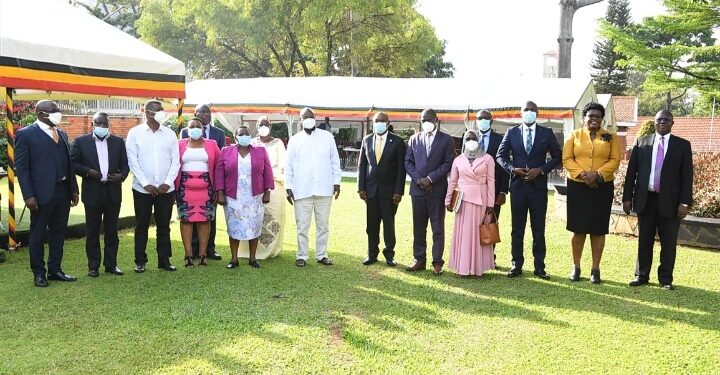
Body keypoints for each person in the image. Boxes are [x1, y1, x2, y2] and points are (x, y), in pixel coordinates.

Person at [623, 110, 693, 290]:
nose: (662, 122)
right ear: (654, 122)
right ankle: (641, 275)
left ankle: (666, 279)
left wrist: (685, 203)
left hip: (671, 203)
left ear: (672, 123)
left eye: (666, 119)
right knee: (644, 240)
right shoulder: (642, 142)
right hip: (646, 200)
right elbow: (632, 173)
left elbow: (687, 177)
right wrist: (627, 198)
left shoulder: (682, 145)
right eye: (659, 119)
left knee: (668, 243)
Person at [15, 100, 80, 287]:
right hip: (40, 194)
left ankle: (55, 270)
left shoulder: (62, 133)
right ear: (42, 114)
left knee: (58, 233)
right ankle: (39, 273)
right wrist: (28, 195)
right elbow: (22, 167)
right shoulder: (26, 134)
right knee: (37, 234)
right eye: (54, 111)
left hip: (63, 191)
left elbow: (69, 164)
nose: (58, 114)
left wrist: (73, 189)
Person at [496, 101, 561, 280]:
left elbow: (557, 156)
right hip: (517, 186)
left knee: (538, 229)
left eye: (532, 110)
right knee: (517, 228)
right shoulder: (512, 132)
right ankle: (516, 263)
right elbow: (500, 156)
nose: (529, 112)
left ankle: (539, 267)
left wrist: (541, 170)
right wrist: (512, 169)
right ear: (521, 113)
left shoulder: (546, 133)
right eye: (526, 110)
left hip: (538, 188)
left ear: (538, 113)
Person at [562, 102, 620, 284]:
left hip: (602, 187)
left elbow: (615, 160)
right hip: (578, 187)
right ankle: (576, 267)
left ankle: (595, 269)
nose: (594, 118)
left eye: (597, 116)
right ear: (584, 118)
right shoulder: (574, 135)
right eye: (590, 115)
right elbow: (567, 158)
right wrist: (584, 175)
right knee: (578, 229)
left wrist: (598, 175)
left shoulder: (610, 136)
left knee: (598, 229)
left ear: (602, 119)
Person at [71, 112, 129, 277]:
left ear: (109, 124)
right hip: (92, 192)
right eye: (99, 123)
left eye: (105, 123)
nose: (102, 126)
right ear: (92, 124)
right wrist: (88, 172)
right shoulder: (81, 142)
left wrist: (122, 176)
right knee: (92, 231)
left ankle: (111, 265)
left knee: (112, 231)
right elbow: (74, 163)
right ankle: (93, 266)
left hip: (112, 191)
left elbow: (125, 164)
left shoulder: (118, 142)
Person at [126, 100, 180, 273]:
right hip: (142, 189)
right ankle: (140, 261)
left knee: (164, 225)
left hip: (166, 189)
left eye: (161, 110)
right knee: (141, 225)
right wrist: (146, 183)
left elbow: (175, 161)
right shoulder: (135, 133)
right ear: (147, 112)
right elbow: (132, 161)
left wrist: (167, 183)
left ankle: (164, 260)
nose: (160, 113)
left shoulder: (170, 134)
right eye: (157, 110)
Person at [285, 107, 342, 267]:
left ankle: (321, 254)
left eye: (311, 116)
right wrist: (288, 186)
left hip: (324, 188)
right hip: (301, 189)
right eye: (305, 117)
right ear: (300, 120)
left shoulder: (327, 137)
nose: (308, 119)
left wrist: (336, 182)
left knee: (323, 225)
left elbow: (334, 161)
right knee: (302, 226)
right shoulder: (294, 140)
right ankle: (302, 255)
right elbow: (288, 165)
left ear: (315, 118)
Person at [404, 109, 455, 275]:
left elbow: (448, 163)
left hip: (437, 190)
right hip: (417, 190)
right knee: (419, 227)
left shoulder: (446, 140)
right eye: (423, 119)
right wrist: (420, 180)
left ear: (436, 120)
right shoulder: (413, 139)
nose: (426, 122)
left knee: (437, 228)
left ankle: (437, 262)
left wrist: (430, 179)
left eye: (429, 119)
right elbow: (408, 163)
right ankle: (419, 259)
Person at [216, 126, 273, 269]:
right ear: (235, 137)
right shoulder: (226, 151)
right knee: (234, 227)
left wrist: (267, 191)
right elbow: (219, 173)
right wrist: (220, 193)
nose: (244, 137)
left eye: (247, 134)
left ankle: (252, 258)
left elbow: (268, 172)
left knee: (253, 226)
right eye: (241, 134)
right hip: (233, 197)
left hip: (255, 196)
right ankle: (234, 259)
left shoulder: (260, 151)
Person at [358, 112, 407, 267]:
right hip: (371, 191)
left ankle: (389, 254)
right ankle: (372, 254)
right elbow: (362, 165)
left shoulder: (398, 142)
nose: (378, 123)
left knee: (388, 224)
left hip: (390, 192)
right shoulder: (367, 140)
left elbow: (401, 169)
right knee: (371, 225)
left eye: (382, 121)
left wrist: (399, 191)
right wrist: (361, 187)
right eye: (376, 121)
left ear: (388, 122)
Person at [445, 130, 496, 277]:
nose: (471, 140)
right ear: (464, 141)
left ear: (478, 140)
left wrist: (491, 203)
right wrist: (448, 200)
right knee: (464, 233)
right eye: (468, 138)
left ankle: (477, 268)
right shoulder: (458, 160)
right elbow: (452, 181)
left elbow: (491, 181)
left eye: (474, 138)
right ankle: (462, 267)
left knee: (478, 232)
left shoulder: (488, 159)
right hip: (462, 200)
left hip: (482, 200)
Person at [180, 104, 226, 261]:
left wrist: (219, 188)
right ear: (195, 113)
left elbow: (220, 162)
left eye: (208, 111)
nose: (206, 114)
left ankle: (207, 250)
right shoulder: (183, 137)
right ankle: (190, 251)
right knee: (188, 219)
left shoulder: (216, 136)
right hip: (185, 188)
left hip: (207, 187)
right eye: (202, 111)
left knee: (207, 220)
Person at [476, 110, 511, 265]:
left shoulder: (500, 139)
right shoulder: (469, 137)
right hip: (473, 190)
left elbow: (504, 166)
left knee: (491, 222)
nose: (482, 120)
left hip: (494, 190)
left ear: (491, 121)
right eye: (479, 118)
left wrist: (503, 191)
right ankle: (475, 256)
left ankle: (490, 257)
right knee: (474, 222)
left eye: (485, 118)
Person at [250, 116, 287, 259]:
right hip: (255, 184)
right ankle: (253, 249)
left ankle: (271, 249)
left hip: (274, 184)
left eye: (266, 124)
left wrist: (270, 173)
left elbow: (283, 164)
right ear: (257, 125)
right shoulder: (252, 142)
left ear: (270, 126)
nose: (263, 126)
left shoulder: (278, 143)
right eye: (260, 124)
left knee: (273, 215)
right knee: (255, 216)